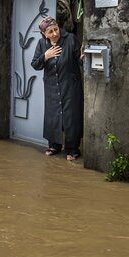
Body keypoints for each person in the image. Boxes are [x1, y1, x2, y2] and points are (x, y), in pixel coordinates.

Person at [31, 16, 84, 161]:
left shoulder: (70, 39)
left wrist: (83, 57)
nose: (55, 33)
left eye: (56, 29)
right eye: (50, 32)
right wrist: (45, 56)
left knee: (71, 116)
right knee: (53, 116)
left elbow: (79, 59)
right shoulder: (42, 44)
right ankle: (54, 145)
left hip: (70, 85)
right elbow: (35, 64)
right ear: (44, 34)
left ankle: (73, 149)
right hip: (52, 86)